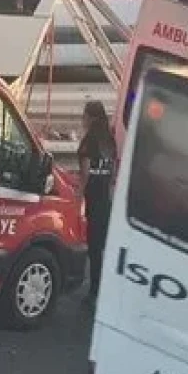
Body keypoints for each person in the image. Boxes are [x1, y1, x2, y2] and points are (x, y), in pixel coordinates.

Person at [78, 100, 117, 307]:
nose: (82, 119)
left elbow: (84, 173)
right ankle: (104, 287)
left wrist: (78, 197)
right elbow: (112, 174)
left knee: (94, 248)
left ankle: (94, 291)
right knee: (102, 247)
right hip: (106, 199)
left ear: (90, 118)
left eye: (84, 115)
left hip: (93, 199)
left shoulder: (88, 142)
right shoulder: (110, 141)